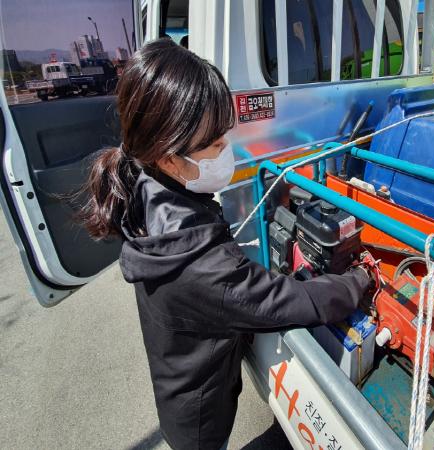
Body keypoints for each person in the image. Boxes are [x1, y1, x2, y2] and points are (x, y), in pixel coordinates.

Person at [80, 38, 370, 450]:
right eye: (215, 144)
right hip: (201, 416)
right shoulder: (195, 261)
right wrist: (357, 281)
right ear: (168, 157)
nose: (226, 150)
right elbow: (285, 301)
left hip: (178, 377)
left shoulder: (145, 185)